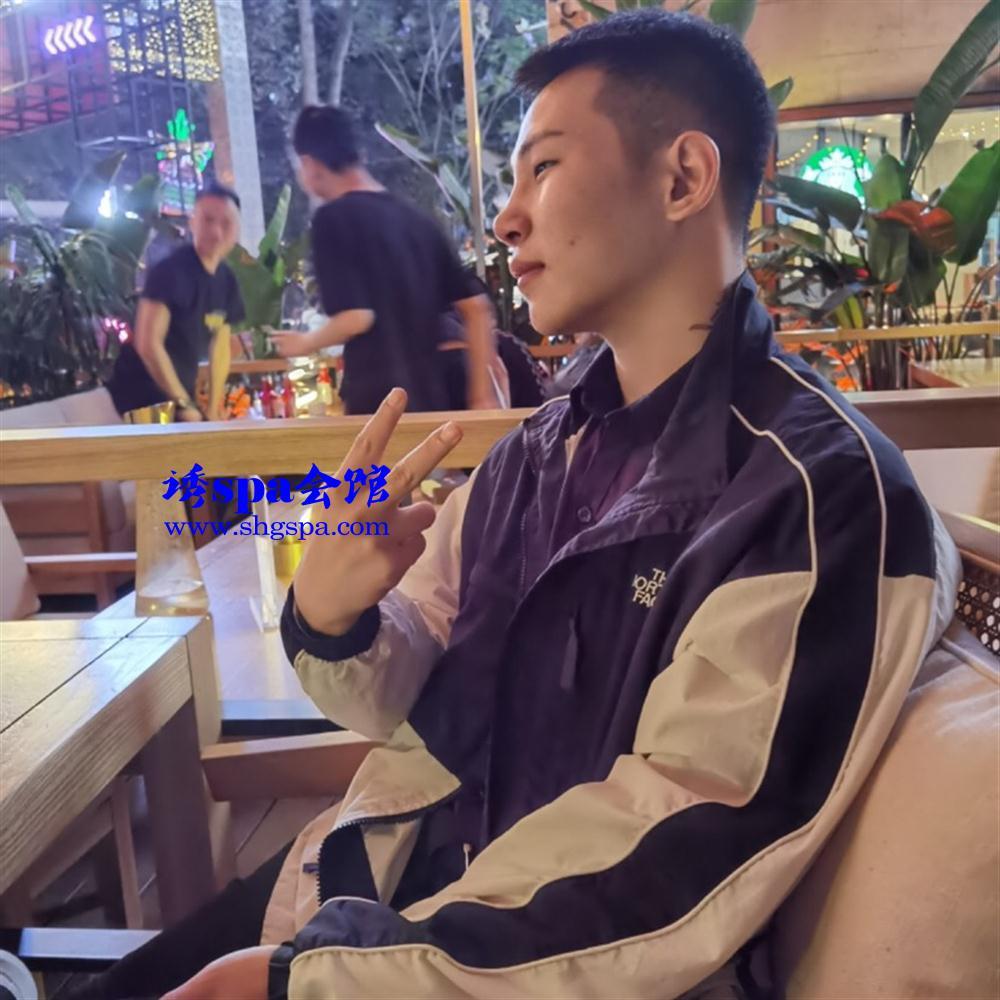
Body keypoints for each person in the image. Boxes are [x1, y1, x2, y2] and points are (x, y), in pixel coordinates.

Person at [77, 11, 959, 999]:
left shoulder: (811, 494)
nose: (504, 218)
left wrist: (314, 980)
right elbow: (400, 693)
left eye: (543, 167)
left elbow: (669, 861)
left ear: (682, 178)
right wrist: (332, 614)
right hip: (392, 888)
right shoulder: (541, 450)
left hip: (502, 960)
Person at [269, 105, 498, 414]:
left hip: (375, 407)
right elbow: (477, 308)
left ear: (309, 163)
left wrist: (305, 343)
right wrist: (481, 397)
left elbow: (357, 317)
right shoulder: (417, 220)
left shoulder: (333, 219)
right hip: (432, 406)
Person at [106, 183, 244, 422]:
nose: (216, 232)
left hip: (179, 398)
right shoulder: (170, 272)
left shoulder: (226, 279)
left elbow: (220, 345)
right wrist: (183, 403)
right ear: (193, 222)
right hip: (141, 400)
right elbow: (148, 344)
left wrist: (212, 407)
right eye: (208, 220)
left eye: (226, 223)